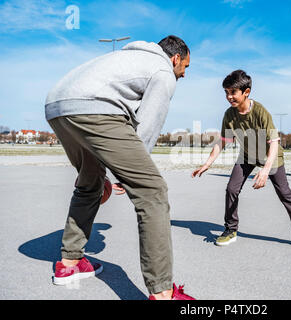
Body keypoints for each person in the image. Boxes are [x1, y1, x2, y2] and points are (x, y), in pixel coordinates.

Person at [45, 35, 195, 300]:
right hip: (94, 107)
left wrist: (108, 171)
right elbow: (148, 126)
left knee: (90, 182)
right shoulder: (163, 71)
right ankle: (162, 293)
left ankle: (69, 264)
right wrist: (124, 176)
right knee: (152, 190)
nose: (184, 75)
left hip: (57, 105)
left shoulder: (125, 58)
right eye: (185, 67)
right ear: (175, 58)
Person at [192, 70, 291, 252]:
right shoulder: (229, 115)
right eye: (226, 92)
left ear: (246, 92)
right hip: (248, 155)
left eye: (233, 92)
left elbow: (274, 143)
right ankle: (230, 229)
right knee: (231, 189)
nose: (229, 97)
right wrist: (207, 163)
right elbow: (223, 140)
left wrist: (265, 170)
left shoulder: (260, 112)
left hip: (271, 157)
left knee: (284, 194)